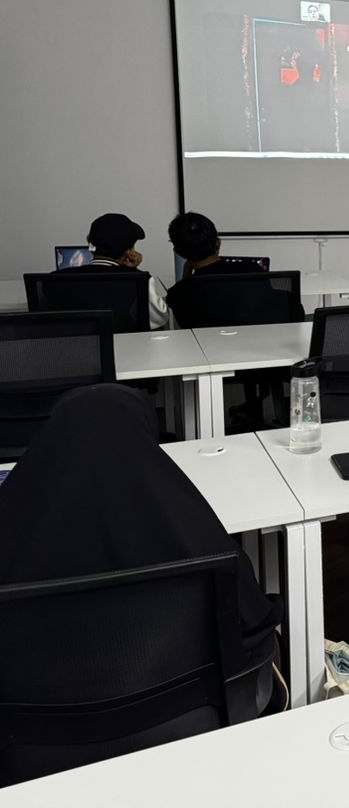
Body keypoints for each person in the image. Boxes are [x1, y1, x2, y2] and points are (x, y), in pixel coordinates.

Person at [0, 385, 282, 706]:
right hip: (185, 715)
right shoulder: (186, 527)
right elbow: (253, 620)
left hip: (35, 730)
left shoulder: (13, 529)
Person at [58, 213, 167, 329]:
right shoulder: (140, 281)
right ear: (129, 252)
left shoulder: (57, 280)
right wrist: (133, 271)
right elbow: (159, 318)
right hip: (128, 341)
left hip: (77, 341)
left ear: (91, 246)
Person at [168, 211, 264, 278]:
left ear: (177, 252)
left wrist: (187, 270)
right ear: (218, 242)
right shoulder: (255, 271)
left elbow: (182, 294)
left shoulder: (180, 294)